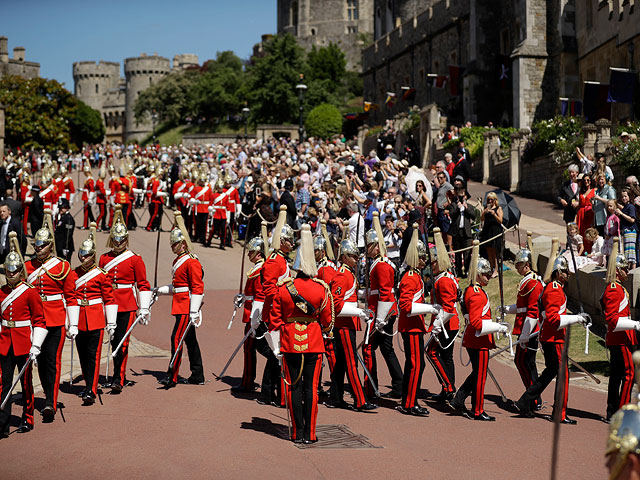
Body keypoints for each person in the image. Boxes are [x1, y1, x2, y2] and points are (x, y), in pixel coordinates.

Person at [266, 224, 334, 444]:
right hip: (314, 342)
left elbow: (274, 319)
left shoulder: (284, 287)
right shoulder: (321, 288)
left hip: (289, 342)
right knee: (311, 389)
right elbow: (326, 321)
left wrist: (277, 346)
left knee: (294, 388)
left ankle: (296, 432)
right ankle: (310, 434)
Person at [514, 249, 591, 424]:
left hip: (551, 338)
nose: (567, 275)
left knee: (549, 372)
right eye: (565, 272)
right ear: (557, 273)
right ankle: (559, 413)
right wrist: (577, 318)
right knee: (562, 374)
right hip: (554, 339)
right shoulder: (554, 289)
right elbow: (555, 319)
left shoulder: (554, 288)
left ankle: (525, 401)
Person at [24, 215, 76, 423]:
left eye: (42, 245)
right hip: (34, 321)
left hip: (55, 318)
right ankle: (44, 393)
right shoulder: (27, 267)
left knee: (52, 361)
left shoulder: (62, 267)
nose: (39, 248)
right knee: (40, 362)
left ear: (50, 246)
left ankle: (50, 403)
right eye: (36, 245)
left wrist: (74, 323)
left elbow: (71, 297)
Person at [98, 206, 152, 394]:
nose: (118, 243)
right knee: (112, 340)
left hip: (127, 303)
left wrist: (143, 307)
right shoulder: (104, 258)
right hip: (109, 303)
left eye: (121, 240)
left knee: (122, 342)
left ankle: (118, 378)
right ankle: (114, 375)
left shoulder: (135, 259)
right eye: (115, 240)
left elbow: (143, 284)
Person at [450, 243, 507, 421]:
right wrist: (498, 327)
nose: (488, 277)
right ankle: (477, 410)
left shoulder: (474, 290)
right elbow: (476, 322)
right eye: (485, 274)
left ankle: (459, 399)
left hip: (476, 338)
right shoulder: (475, 293)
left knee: (477, 372)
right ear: (476, 274)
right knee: (480, 375)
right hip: (478, 339)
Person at [0, 236, 46, 436]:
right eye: (9, 271)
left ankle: (28, 418)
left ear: (21, 271)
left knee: (26, 383)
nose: (12, 274)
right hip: (4, 343)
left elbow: (39, 321)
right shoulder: (1, 292)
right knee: (4, 384)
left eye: (15, 271)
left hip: (23, 343)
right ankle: (2, 422)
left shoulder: (30, 292)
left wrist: (36, 345)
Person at [156, 214, 205, 389]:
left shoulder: (191, 262)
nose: (172, 247)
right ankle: (197, 374)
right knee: (190, 340)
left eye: (175, 244)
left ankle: (172, 376)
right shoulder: (179, 260)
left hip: (186, 306)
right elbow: (178, 287)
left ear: (183, 244)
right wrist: (160, 291)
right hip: (180, 304)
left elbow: (197, 287)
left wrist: (193, 311)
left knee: (176, 338)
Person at [396, 225, 440, 416]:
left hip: (415, 326)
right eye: (422, 257)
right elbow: (406, 306)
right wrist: (430, 308)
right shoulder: (411, 277)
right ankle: (409, 403)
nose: (424, 261)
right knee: (415, 364)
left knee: (414, 364)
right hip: (411, 327)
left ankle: (408, 400)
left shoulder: (416, 276)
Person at [250, 207, 293, 406]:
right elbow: (269, 290)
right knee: (275, 355)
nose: (292, 244)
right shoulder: (275, 261)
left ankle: (270, 392)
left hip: (280, 312)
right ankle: (268, 392)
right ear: (282, 242)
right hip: (273, 314)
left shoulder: (282, 259)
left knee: (276, 356)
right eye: (289, 241)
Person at [328, 238, 377, 411]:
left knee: (341, 363)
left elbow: (351, 296)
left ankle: (336, 396)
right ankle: (360, 400)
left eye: (356, 256)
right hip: (344, 325)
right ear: (344, 257)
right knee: (351, 362)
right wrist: (360, 313)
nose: (356, 259)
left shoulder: (349, 273)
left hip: (349, 323)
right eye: (353, 256)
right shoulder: (342, 275)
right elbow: (337, 305)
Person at [73, 225, 117, 405]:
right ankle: (87, 384)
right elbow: (70, 298)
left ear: (93, 256)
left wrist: (111, 322)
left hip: (96, 318)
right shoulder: (74, 273)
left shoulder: (102, 275)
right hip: (80, 319)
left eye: (87, 255)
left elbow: (109, 299)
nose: (84, 258)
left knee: (93, 355)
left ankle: (91, 389)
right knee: (82, 355)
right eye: (81, 255)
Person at [362, 214, 403, 399]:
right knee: (386, 349)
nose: (368, 250)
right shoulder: (378, 263)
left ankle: (370, 386)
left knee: (368, 348)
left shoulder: (381, 265)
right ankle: (399, 383)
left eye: (370, 246)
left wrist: (379, 319)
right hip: (382, 310)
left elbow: (385, 293)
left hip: (383, 312)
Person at [499, 248, 544, 411]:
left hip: (529, 328)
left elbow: (532, 311)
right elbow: (521, 307)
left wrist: (525, 334)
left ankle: (533, 397)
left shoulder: (532, 282)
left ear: (526, 264)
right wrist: (507, 309)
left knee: (524, 362)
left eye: (519, 264)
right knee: (525, 362)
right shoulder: (527, 280)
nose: (516, 267)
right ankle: (533, 396)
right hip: (525, 327)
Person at [602, 246, 637, 423]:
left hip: (621, 337)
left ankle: (612, 411)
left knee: (616, 375)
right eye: (624, 268)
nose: (626, 272)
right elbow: (613, 320)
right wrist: (636, 324)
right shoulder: (614, 289)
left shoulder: (617, 288)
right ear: (617, 270)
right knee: (629, 374)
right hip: (620, 338)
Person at [425, 229, 460, 402]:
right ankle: (447, 389)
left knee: (430, 352)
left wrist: (437, 326)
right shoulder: (445, 276)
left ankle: (448, 386)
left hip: (446, 324)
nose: (431, 266)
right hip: (447, 323)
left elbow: (448, 307)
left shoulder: (444, 279)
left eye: (433, 263)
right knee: (446, 357)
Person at [231, 235, 265, 393]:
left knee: (251, 348)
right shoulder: (257, 268)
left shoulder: (260, 270)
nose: (249, 254)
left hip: (255, 314)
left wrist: (254, 319)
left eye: (251, 252)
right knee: (251, 348)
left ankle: (248, 381)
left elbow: (259, 295)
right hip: (251, 309)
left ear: (258, 253)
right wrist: (243, 298)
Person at [448, 176, 476, 277]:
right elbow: (451, 215)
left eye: (463, 195)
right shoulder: (453, 205)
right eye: (459, 195)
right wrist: (458, 207)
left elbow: (473, 216)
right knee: (458, 254)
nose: (461, 197)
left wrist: (466, 208)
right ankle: (459, 271)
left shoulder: (469, 206)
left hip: (467, 232)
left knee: (468, 252)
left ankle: (467, 270)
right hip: (457, 231)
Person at [480, 192, 504, 278]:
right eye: (488, 200)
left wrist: (494, 214)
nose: (490, 201)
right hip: (487, 231)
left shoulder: (498, 208)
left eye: (491, 200)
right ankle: (491, 268)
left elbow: (500, 221)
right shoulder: (486, 208)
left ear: (495, 200)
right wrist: (484, 212)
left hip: (495, 231)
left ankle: (496, 270)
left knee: (495, 252)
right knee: (489, 251)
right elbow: (482, 219)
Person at [617, 189, 637, 270]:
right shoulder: (625, 207)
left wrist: (621, 213)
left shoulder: (631, 206)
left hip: (630, 231)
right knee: (627, 253)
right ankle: (628, 271)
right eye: (622, 197)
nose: (624, 198)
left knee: (631, 253)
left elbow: (632, 219)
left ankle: (633, 271)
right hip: (625, 231)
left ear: (629, 196)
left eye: (625, 196)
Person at [576, 174, 595, 252]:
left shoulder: (594, 190)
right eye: (584, 180)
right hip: (581, 214)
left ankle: (589, 251)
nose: (586, 182)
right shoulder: (581, 191)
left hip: (589, 213)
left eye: (588, 180)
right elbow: (579, 204)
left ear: (591, 181)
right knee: (581, 232)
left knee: (588, 232)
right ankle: (582, 251)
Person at [81, 165, 96, 229]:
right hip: (85, 195)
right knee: (88, 211)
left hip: (87, 196)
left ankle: (85, 225)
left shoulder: (90, 180)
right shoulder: (88, 179)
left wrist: (90, 198)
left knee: (87, 211)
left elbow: (92, 189)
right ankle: (92, 222)